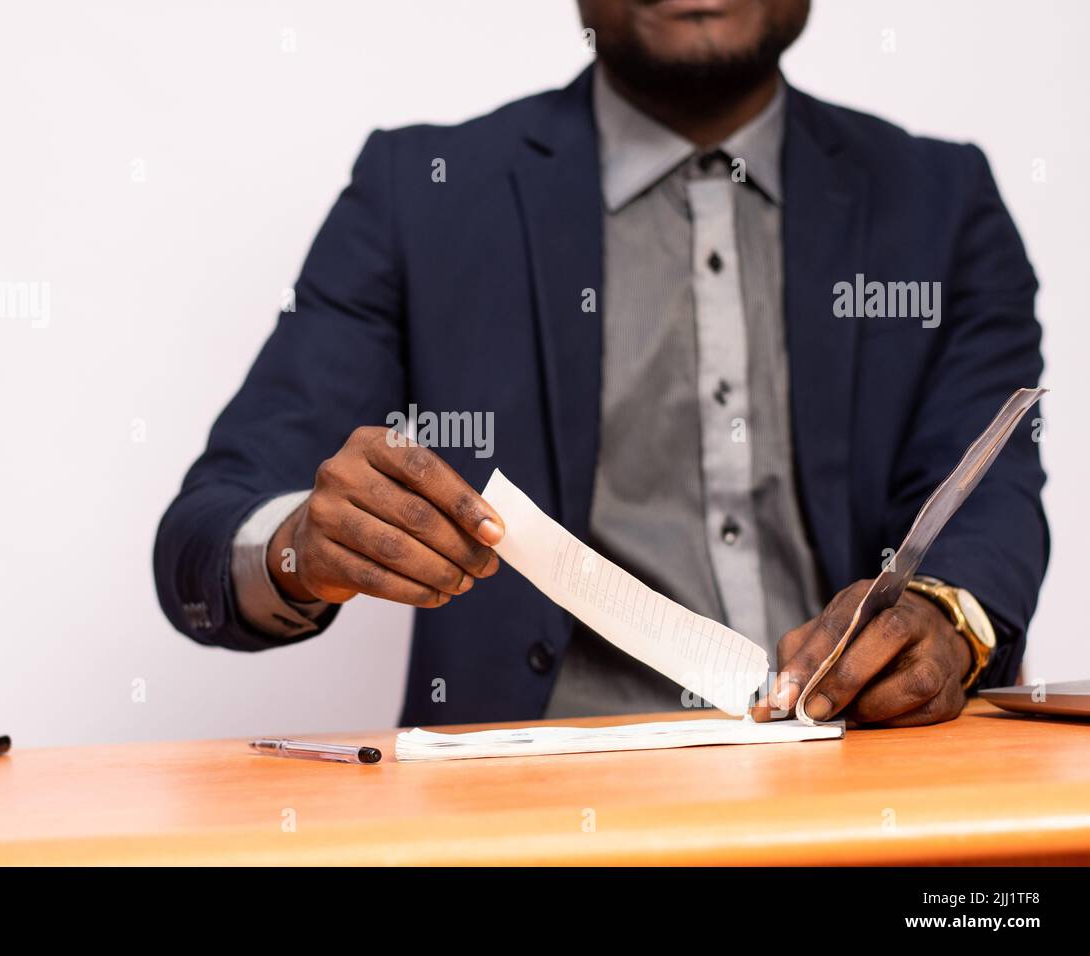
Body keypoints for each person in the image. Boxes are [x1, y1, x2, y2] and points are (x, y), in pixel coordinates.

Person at [154, 0, 1047, 729]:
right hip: (538, 816)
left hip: (878, 796)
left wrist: (942, 616)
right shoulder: (418, 193)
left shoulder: (942, 202)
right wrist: (299, 549)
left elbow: (987, 499)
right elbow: (205, 533)